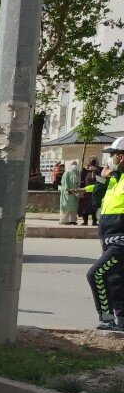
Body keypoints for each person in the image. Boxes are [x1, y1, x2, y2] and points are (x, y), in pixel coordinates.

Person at [87, 139, 124, 330]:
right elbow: (95, 202)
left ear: (122, 156)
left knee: (97, 274)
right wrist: (102, 178)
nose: (110, 159)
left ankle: (107, 319)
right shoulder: (114, 179)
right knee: (115, 280)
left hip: (121, 242)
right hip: (109, 240)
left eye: (112, 155)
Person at [80, 158, 101, 226]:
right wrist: (81, 190)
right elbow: (82, 180)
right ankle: (85, 221)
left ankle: (94, 222)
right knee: (85, 208)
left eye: (93, 163)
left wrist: (96, 171)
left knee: (94, 208)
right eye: (91, 162)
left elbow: (101, 180)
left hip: (95, 192)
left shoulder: (98, 171)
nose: (92, 164)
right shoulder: (85, 171)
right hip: (86, 192)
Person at [59, 159, 80, 225]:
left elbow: (78, 182)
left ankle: (73, 220)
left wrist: (77, 190)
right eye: (73, 164)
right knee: (66, 206)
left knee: (74, 206)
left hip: (75, 192)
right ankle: (64, 220)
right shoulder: (67, 173)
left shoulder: (77, 173)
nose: (74, 165)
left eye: (75, 164)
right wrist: (67, 190)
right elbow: (65, 183)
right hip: (68, 192)